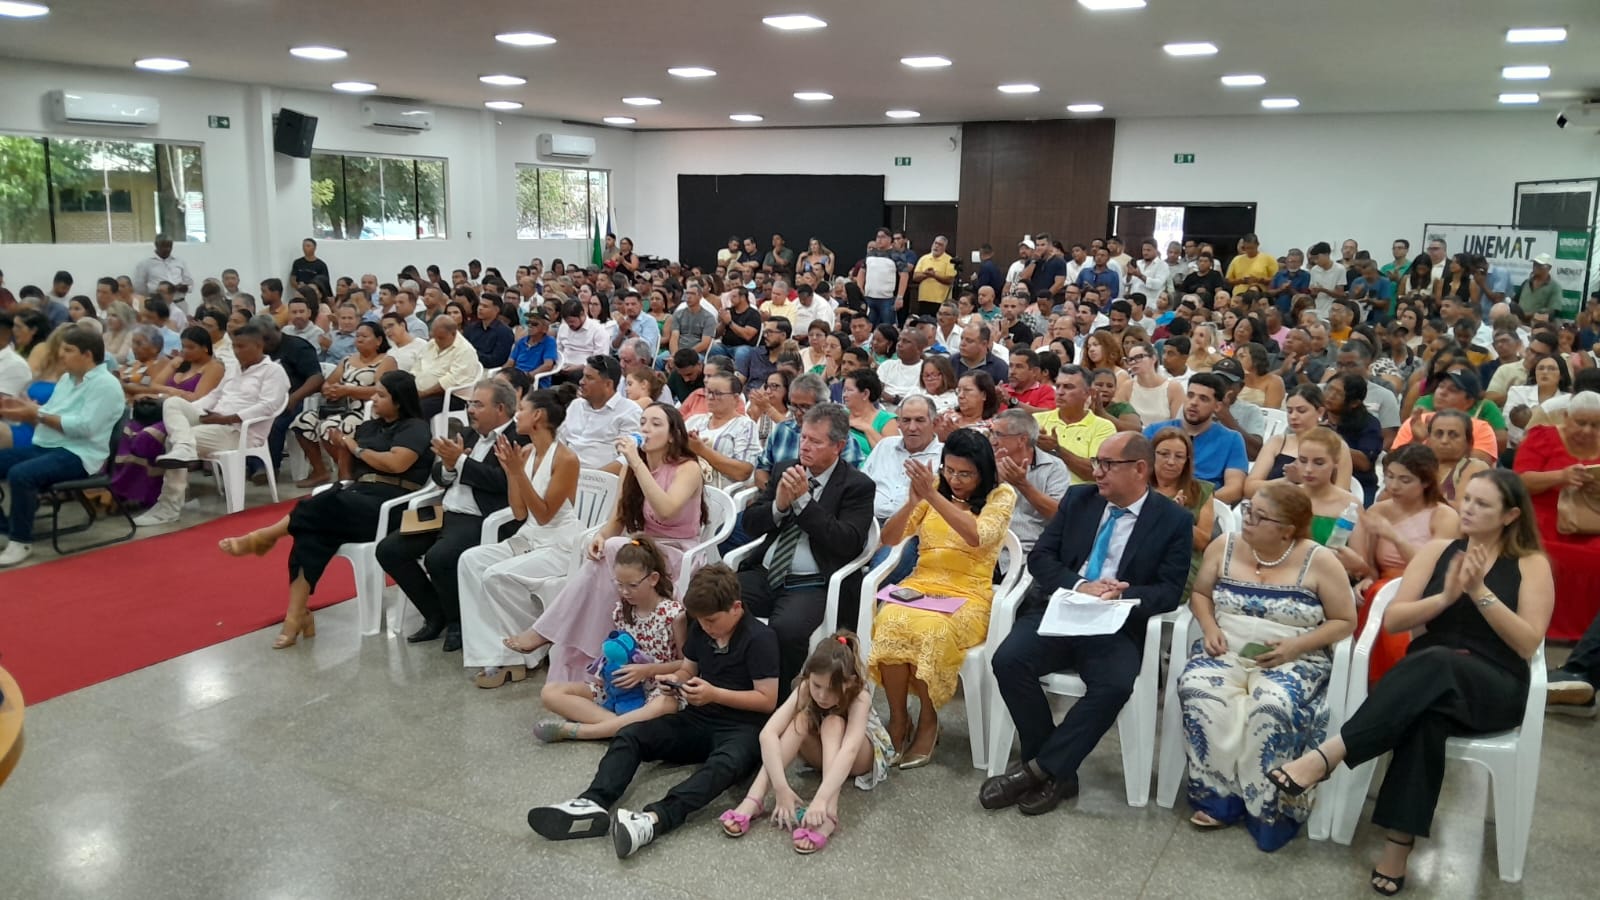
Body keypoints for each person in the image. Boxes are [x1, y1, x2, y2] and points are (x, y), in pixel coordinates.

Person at [1271, 471, 1551, 896]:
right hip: (1425, 681)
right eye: (1467, 499)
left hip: (1493, 685)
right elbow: (1395, 621)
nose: (1468, 509)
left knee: (1437, 662)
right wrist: (1445, 597)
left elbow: (1527, 642)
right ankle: (1396, 849)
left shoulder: (1531, 564)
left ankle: (1329, 754)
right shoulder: (1438, 551)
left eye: (1482, 504)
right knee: (1425, 719)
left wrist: (1479, 592)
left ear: (1511, 515)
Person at [981, 433, 1193, 814]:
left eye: (1107, 465)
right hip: (1062, 609)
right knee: (1008, 660)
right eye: (1097, 462)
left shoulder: (1173, 520)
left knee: (1114, 685)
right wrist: (1081, 585)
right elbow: (1041, 558)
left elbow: (1169, 591)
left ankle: (1038, 770)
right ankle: (1056, 771)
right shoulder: (1080, 500)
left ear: (1139, 469)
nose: (1096, 472)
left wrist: (1122, 595)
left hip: (1117, 624)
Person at [525, 564, 779, 859]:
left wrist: (714, 693)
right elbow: (688, 669)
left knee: (722, 767)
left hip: (743, 728)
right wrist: (674, 680)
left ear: (736, 607)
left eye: (711, 620)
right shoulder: (701, 630)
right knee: (631, 734)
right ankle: (592, 803)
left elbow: (766, 700)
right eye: (701, 621)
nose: (706, 627)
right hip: (700, 716)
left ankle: (653, 820)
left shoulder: (760, 638)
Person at [1178, 482, 1355, 849]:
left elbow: (1344, 621)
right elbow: (1200, 593)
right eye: (1248, 511)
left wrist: (1295, 646)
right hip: (1225, 649)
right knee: (1200, 691)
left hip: (1295, 657)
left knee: (1271, 706)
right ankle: (1217, 797)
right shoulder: (1224, 546)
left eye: (1260, 517)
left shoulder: (1320, 560)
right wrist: (1209, 628)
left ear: (1287, 530)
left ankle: (1268, 808)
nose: (1248, 520)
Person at [218, 371, 434, 646]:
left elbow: (396, 464)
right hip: (359, 495)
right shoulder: (368, 428)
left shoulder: (415, 428)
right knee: (310, 533)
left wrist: (355, 449)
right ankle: (295, 615)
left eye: (381, 395)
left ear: (399, 401)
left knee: (320, 506)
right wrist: (343, 450)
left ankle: (265, 536)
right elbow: (347, 476)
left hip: (391, 503)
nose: (374, 399)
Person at [505, 402, 704, 680]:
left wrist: (636, 462)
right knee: (604, 551)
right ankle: (584, 649)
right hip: (642, 550)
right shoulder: (631, 469)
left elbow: (666, 510)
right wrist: (600, 537)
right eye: (643, 422)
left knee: (615, 550)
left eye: (656, 424)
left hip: (677, 551)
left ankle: (546, 631)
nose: (646, 429)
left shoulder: (687, 468)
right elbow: (618, 517)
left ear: (672, 435)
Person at [867, 428, 1016, 767]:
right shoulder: (933, 488)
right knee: (889, 619)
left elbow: (977, 535)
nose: (955, 480)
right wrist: (912, 502)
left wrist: (932, 497)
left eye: (965, 474)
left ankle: (929, 722)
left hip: (969, 594)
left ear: (984, 472)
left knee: (931, 630)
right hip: (922, 585)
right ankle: (898, 719)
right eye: (949, 470)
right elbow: (889, 539)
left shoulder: (1001, 496)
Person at [738, 402, 876, 687]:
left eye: (815, 441)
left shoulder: (857, 486)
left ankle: (778, 700)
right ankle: (727, 682)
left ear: (838, 446)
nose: (805, 446)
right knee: (709, 600)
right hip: (765, 572)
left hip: (812, 582)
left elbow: (847, 542)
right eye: (803, 437)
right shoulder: (785, 469)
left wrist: (803, 502)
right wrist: (778, 506)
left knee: (786, 631)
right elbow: (749, 524)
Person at [377, 379, 521, 652]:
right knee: (389, 550)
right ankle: (435, 613)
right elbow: (439, 476)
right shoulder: (468, 434)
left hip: (481, 517)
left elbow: (502, 482)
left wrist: (461, 462)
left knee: (439, 558)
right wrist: (448, 466)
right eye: (470, 404)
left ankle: (458, 623)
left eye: (478, 404)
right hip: (445, 513)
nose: (470, 410)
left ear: (500, 408)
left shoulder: (517, 437)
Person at [454, 384, 583, 688]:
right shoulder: (525, 452)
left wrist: (518, 473)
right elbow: (519, 512)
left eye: (522, 409)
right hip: (531, 537)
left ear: (538, 416)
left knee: (495, 576)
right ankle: (492, 651)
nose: (517, 415)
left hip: (561, 545)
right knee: (469, 561)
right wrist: (513, 471)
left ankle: (520, 654)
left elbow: (545, 514)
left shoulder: (566, 459)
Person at [717, 630, 893, 852]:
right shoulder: (806, 687)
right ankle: (754, 798)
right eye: (817, 686)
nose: (822, 696)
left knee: (833, 723)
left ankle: (830, 812)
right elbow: (768, 734)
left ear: (849, 683)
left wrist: (820, 799)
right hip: (824, 753)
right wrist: (781, 788)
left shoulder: (860, 696)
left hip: (862, 757)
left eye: (832, 689)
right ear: (809, 677)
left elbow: (850, 750)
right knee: (800, 720)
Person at [534, 537, 686, 742]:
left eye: (632, 585)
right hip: (622, 689)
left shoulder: (673, 614)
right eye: (619, 584)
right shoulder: (621, 611)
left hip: (657, 690)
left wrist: (647, 670)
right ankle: (620, 726)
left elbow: (686, 664)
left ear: (653, 579)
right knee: (551, 692)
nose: (624, 592)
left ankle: (582, 731)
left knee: (665, 705)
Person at [0, 328, 124, 566]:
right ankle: (8, 528)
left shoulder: (106, 385)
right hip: (48, 445)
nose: (61, 354)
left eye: (68, 350)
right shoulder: (68, 379)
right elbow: (49, 413)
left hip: (79, 454)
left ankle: (21, 541)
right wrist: (25, 411)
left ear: (87, 355)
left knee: (21, 474)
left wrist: (38, 414)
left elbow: (85, 428)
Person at [1338, 445, 1460, 684]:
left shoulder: (1444, 515)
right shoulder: (1378, 510)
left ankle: (1397, 677)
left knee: (1387, 598)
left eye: (1405, 480)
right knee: (1374, 592)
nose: (1393, 486)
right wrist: (1366, 576)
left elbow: (1436, 569)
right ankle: (1367, 678)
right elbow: (1372, 566)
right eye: (1390, 477)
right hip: (1384, 585)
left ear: (1426, 482)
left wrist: (1394, 536)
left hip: (1427, 588)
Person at [1512, 391, 1600, 640]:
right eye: (1580, 422)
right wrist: (1560, 476)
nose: (1587, 430)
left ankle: (1591, 636)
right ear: (1565, 417)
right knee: (1546, 554)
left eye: (1595, 425)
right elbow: (1519, 482)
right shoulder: (1542, 437)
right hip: (1542, 516)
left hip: (1593, 520)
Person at [288, 321, 394, 488]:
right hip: (341, 407)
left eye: (364, 336)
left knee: (329, 426)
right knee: (302, 421)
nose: (359, 339)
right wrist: (329, 390)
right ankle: (320, 471)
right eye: (357, 336)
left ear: (379, 340)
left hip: (368, 411)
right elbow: (328, 383)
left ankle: (346, 472)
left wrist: (348, 390)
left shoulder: (386, 361)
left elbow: (380, 391)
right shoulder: (347, 360)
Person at [1142, 373, 1248, 503]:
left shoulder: (1232, 440)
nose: (1193, 403)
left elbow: (1234, 489)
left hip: (1204, 505)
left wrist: (1197, 504)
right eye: (1190, 395)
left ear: (1217, 406)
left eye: (1203, 399)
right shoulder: (1154, 431)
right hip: (1155, 501)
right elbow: (1136, 473)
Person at [1245, 384, 1352, 496]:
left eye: (1301, 411)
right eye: (1290, 411)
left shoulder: (1337, 446)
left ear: (1320, 412)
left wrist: (1304, 481)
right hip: (1273, 503)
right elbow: (1249, 487)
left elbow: (1342, 496)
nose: (1293, 416)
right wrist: (1286, 481)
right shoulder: (1277, 442)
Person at [990, 409, 1072, 552]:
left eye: (999, 435)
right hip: (988, 546)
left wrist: (1022, 484)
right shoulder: (987, 462)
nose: (993, 441)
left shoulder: (1053, 467)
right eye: (991, 433)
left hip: (1032, 550)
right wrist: (992, 479)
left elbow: (1058, 514)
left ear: (1022, 439)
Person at [1149, 427, 1215, 596]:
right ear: (1151, 455)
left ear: (1187, 461)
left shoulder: (1201, 490)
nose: (1171, 462)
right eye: (1164, 454)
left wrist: (1177, 517)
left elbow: (1202, 542)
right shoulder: (1138, 486)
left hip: (1180, 563)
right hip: (1139, 556)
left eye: (1179, 456)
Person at [557, 354, 643, 472]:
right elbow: (559, 442)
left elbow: (627, 458)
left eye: (589, 378)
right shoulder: (576, 405)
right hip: (564, 472)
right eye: (583, 376)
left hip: (601, 479)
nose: (581, 382)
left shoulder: (630, 411)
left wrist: (593, 478)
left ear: (608, 384)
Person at [1033, 365, 1116, 485]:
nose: (1060, 392)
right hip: (1037, 490)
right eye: (1058, 386)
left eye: (1068, 387)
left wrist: (1057, 449)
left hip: (1080, 494)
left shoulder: (1103, 427)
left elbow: (1096, 471)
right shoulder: (1036, 420)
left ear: (1088, 393)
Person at [685, 371, 759, 490]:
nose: (710, 397)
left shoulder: (745, 426)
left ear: (735, 398)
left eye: (717, 393)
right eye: (708, 392)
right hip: (689, 488)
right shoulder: (694, 421)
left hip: (724, 494)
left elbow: (743, 472)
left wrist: (702, 450)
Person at [1322, 374, 1384, 504]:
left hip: (1358, 485)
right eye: (1329, 389)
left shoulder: (1369, 424)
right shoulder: (1316, 414)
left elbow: (1364, 463)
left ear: (1354, 403)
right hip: (1319, 480)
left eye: (1338, 394)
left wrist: (1334, 440)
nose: (1330, 396)